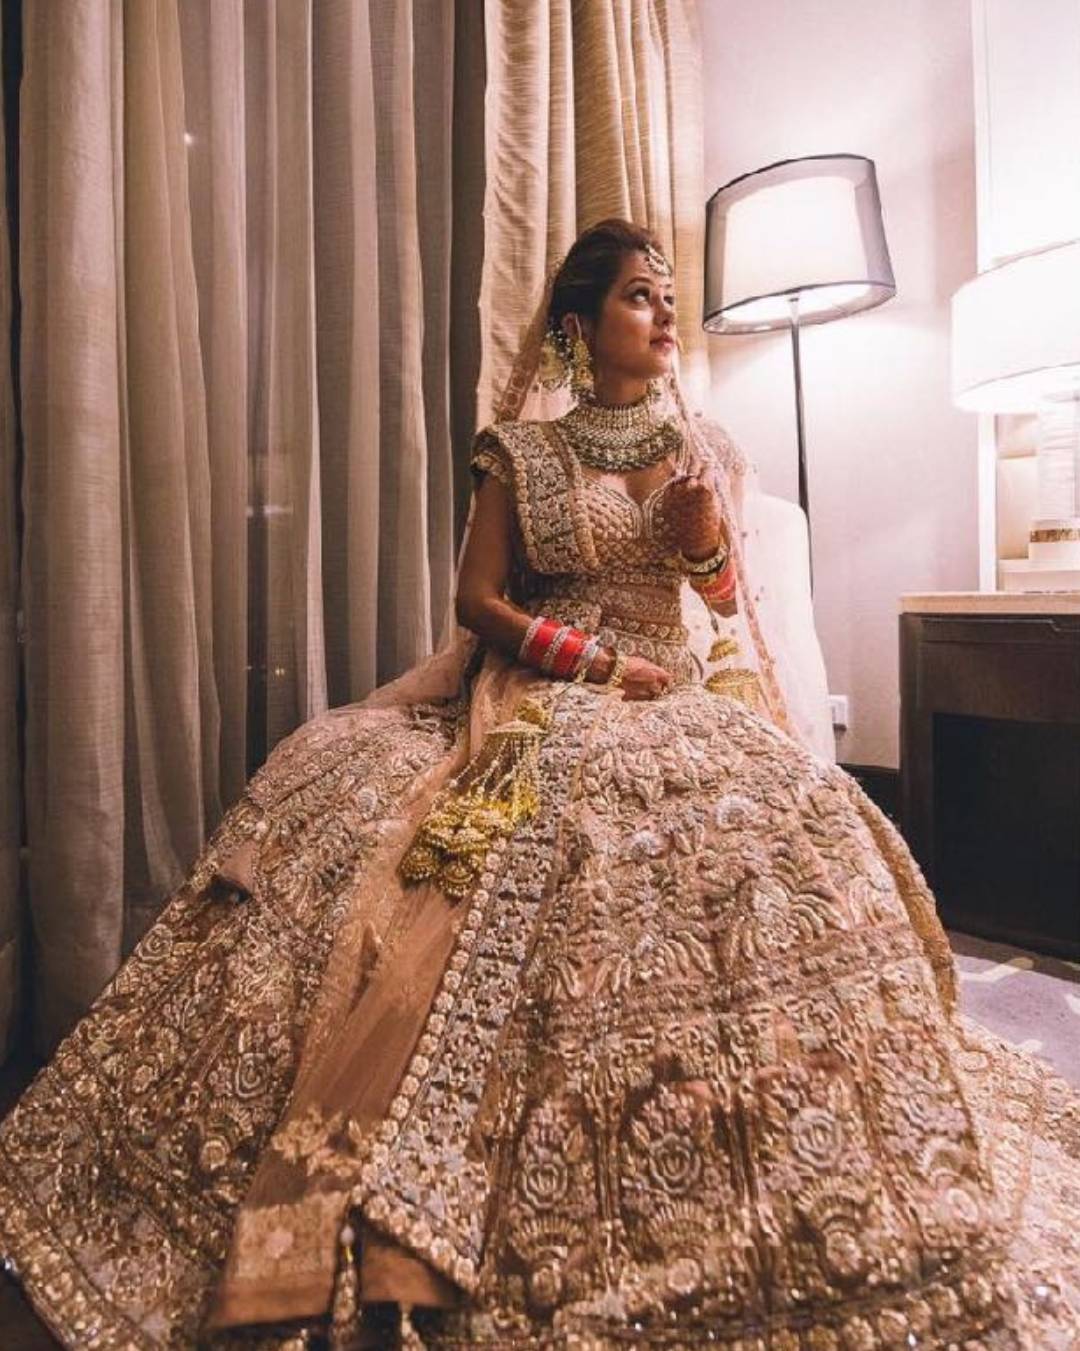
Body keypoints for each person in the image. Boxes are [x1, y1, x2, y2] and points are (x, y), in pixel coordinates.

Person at [1, 219, 1078, 1350]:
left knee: (781, 823)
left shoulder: (703, 447)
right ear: (578, 325)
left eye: (666, 294)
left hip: (666, 694)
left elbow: (722, 598)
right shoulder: (517, 452)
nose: (664, 314)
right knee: (358, 798)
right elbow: (477, 602)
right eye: (639, 296)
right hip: (534, 683)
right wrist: (589, 660)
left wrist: (707, 546)